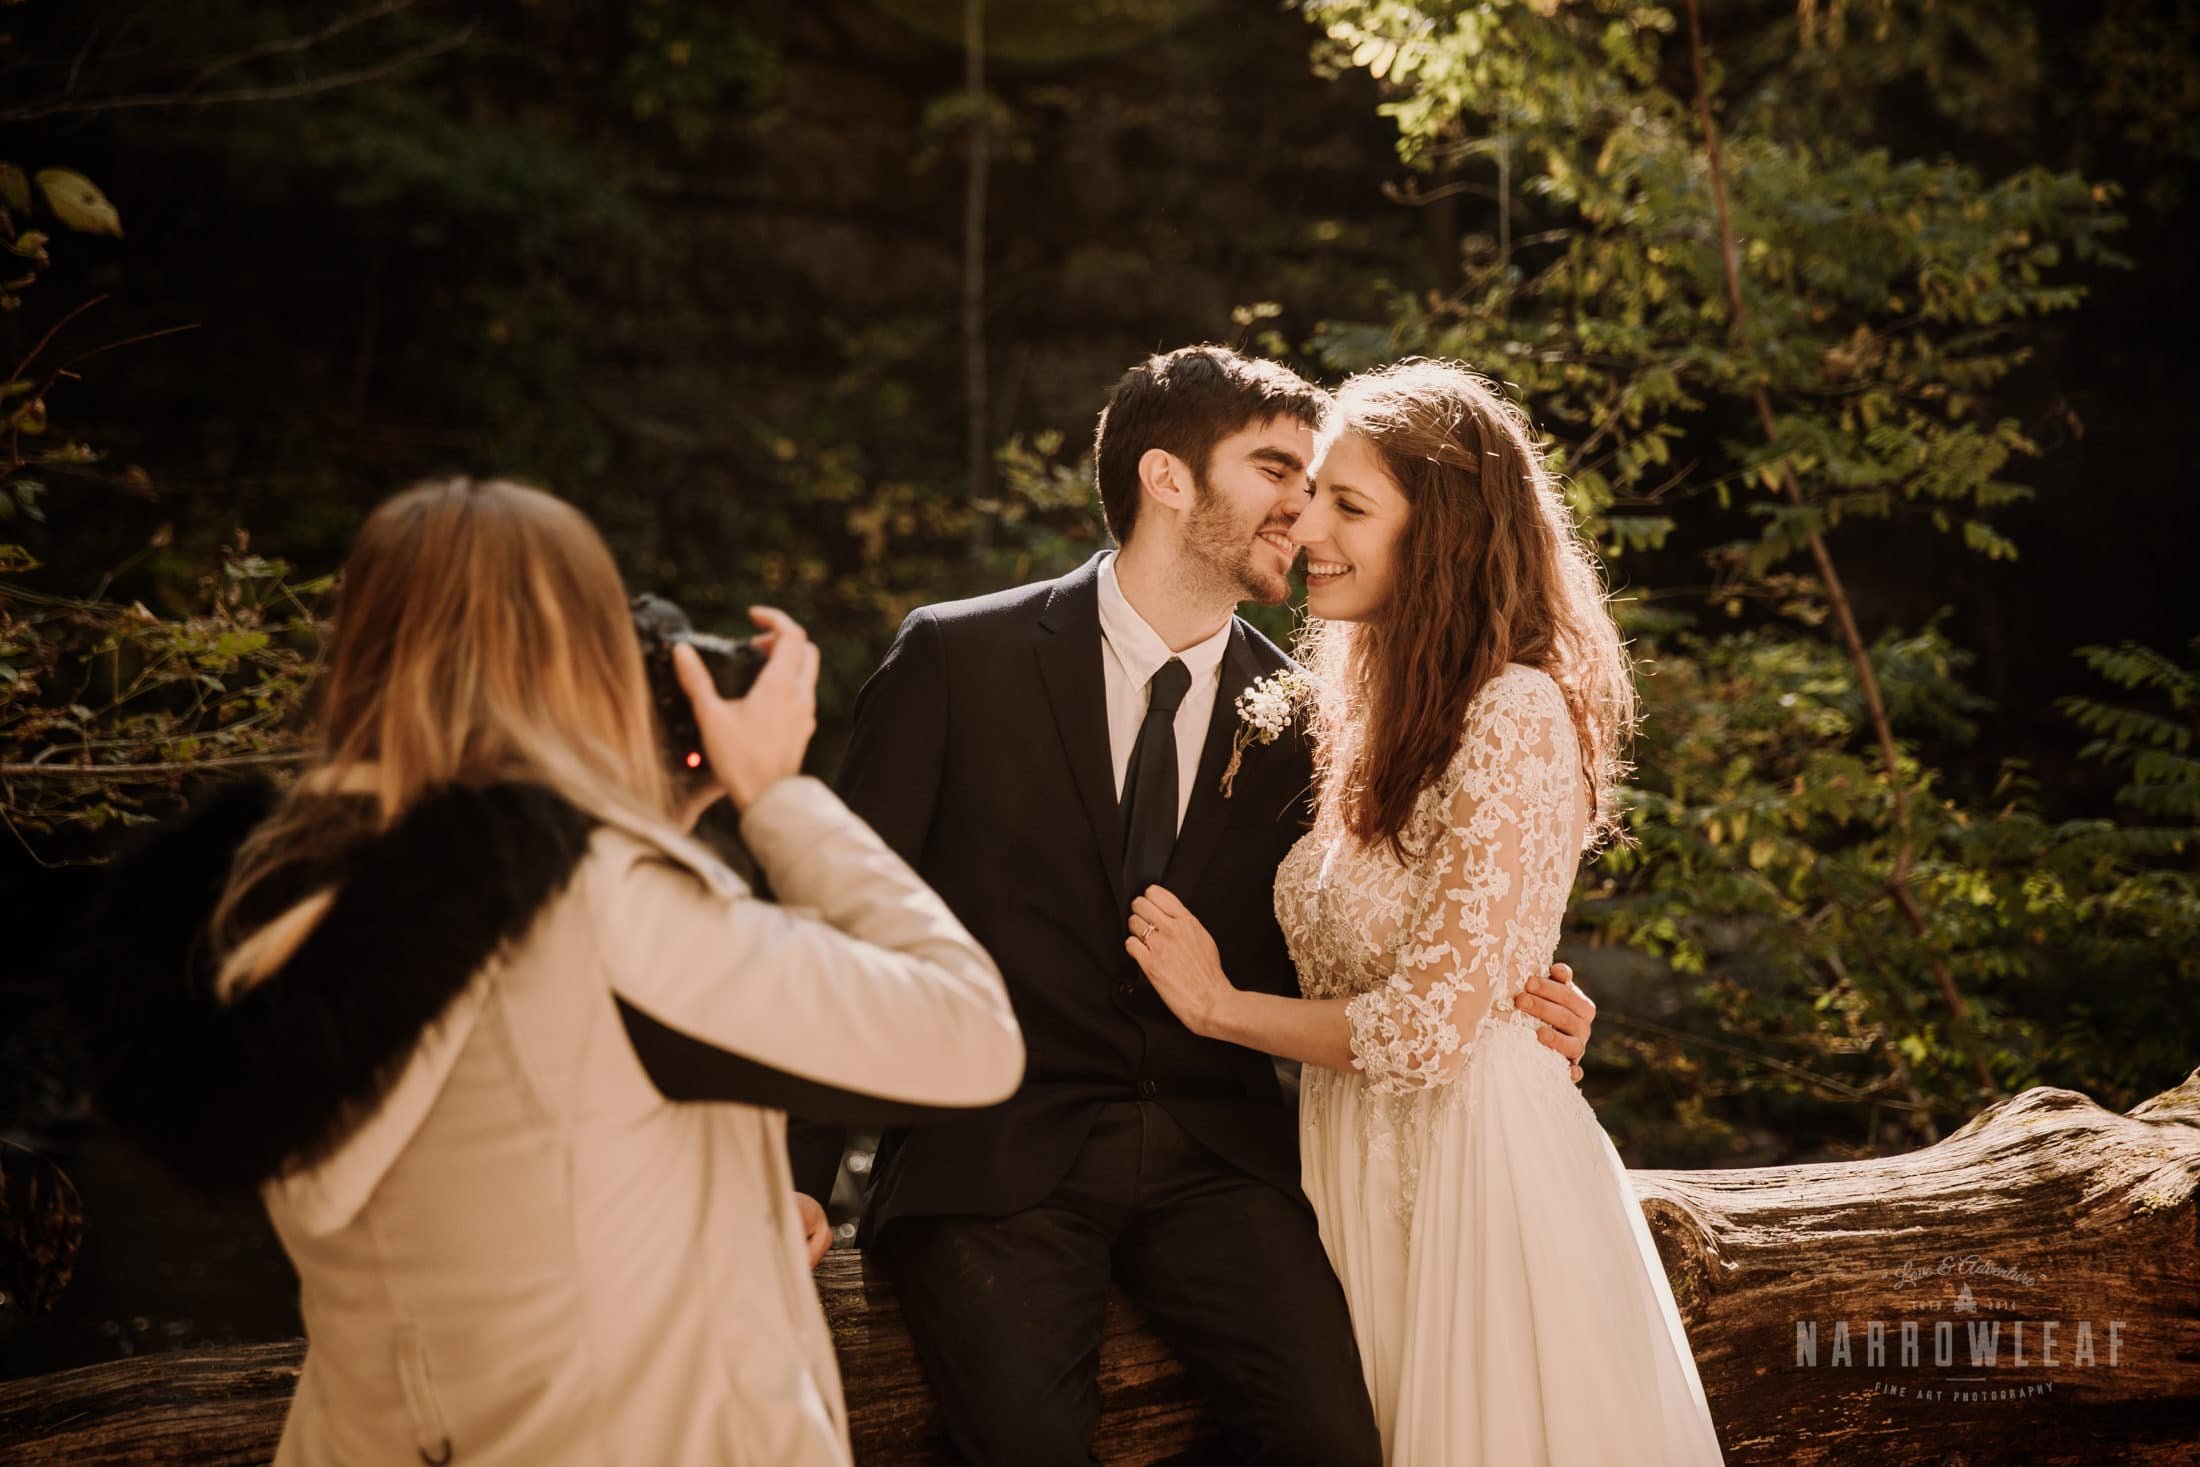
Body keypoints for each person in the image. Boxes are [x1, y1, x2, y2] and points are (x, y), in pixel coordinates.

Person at [65, 478, 1024, 1467]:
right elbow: (969, 1037)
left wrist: (649, 819)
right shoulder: (605, 906)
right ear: (581, 660)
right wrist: (778, 798)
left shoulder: (279, 890)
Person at [786, 346, 1600, 1465]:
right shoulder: (955, 660)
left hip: (1226, 1167)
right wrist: (792, 1177)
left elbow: (1376, 935)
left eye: (1320, 487)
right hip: (993, 1162)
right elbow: (839, 918)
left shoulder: (1313, 721)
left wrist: (1519, 1004)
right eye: (1277, 471)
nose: (1302, 511)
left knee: (1333, 1448)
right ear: (1168, 480)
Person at [1123, 360, 1725, 1464]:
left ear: (1441, 532)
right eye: (1311, 498)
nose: (1309, 529)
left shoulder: (1515, 709)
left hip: (1474, 1177)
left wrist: (1218, 1007)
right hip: (1350, 1161)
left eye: (1350, 505)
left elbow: (1423, 1029)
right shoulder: (1353, 716)